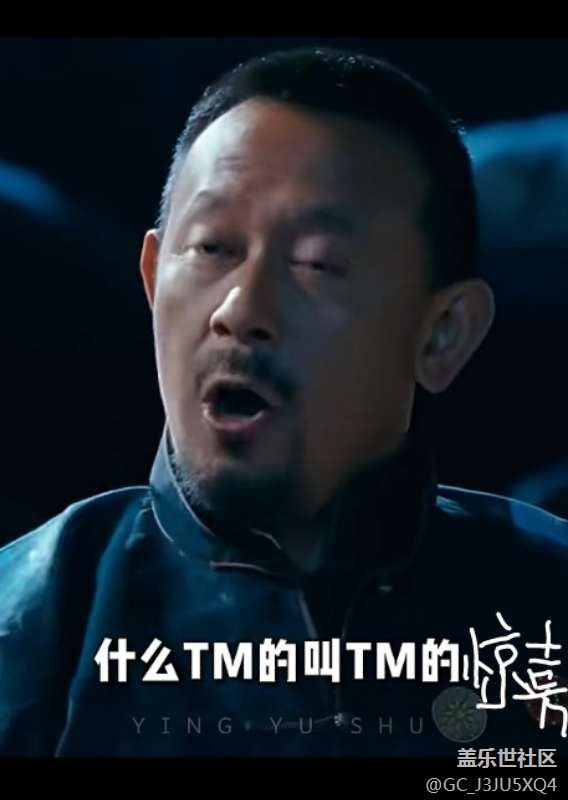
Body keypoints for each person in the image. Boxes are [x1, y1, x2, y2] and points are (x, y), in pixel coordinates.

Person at [1, 46, 567, 759]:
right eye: (212, 248)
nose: (241, 309)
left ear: (442, 334)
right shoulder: (28, 627)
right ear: (151, 281)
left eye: (319, 264)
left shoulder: (544, 606)